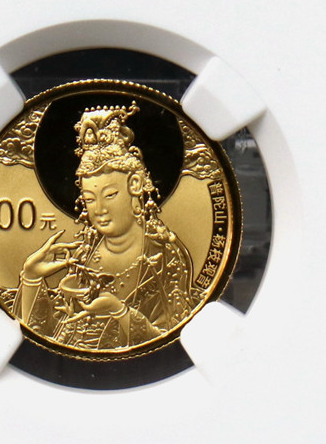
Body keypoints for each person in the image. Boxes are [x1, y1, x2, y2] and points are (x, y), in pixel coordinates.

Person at [12, 103, 194, 352]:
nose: (99, 209)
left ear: (135, 185)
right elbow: (49, 337)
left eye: (110, 195)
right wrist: (32, 278)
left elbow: (174, 341)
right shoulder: (84, 252)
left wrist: (120, 312)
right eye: (90, 199)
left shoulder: (164, 257)